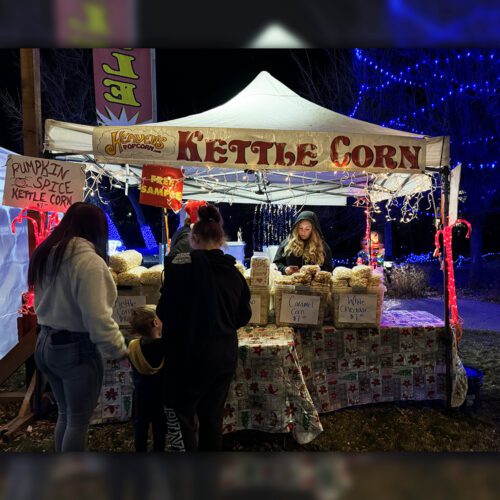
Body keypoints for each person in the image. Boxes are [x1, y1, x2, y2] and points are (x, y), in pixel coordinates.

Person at [28, 202, 127, 452]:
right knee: (78, 421)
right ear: (97, 230)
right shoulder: (88, 262)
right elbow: (97, 317)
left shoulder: (49, 253)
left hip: (45, 341)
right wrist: (118, 350)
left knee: (66, 413)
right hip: (75, 347)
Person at [156, 204, 252, 451]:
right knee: (212, 419)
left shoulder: (178, 270)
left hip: (186, 356)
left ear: (193, 238)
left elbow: (163, 312)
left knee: (185, 418)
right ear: (222, 240)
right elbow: (243, 315)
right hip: (221, 356)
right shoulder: (234, 274)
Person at [128, 305, 166, 452]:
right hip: (160, 394)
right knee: (159, 425)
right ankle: (159, 451)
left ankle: (140, 451)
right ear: (156, 323)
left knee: (140, 424)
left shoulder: (133, 345)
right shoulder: (165, 345)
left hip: (140, 393)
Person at [273, 211, 333, 275]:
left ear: (313, 230)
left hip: (314, 284)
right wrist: (284, 269)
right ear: (296, 228)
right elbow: (276, 264)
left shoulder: (322, 246)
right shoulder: (287, 243)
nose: (303, 232)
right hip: (291, 283)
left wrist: (320, 271)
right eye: (300, 228)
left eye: (307, 229)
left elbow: (329, 269)